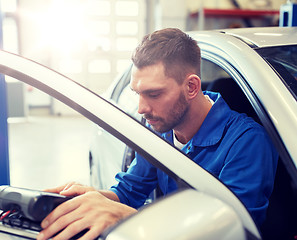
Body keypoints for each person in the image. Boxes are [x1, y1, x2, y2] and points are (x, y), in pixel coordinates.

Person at [37, 28, 278, 240]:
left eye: (153, 94)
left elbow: (234, 232)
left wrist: (124, 216)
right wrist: (93, 197)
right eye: (137, 93)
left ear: (192, 87)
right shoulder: (158, 130)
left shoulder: (247, 142)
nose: (141, 108)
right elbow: (129, 191)